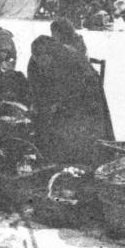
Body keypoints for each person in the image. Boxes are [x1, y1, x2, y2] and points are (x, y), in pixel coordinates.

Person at [27, 21, 113, 164]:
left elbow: (75, 92)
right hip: (69, 99)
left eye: (43, 61)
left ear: (50, 55)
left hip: (86, 100)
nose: (42, 65)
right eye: (38, 61)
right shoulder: (37, 60)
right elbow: (38, 86)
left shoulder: (68, 61)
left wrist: (56, 105)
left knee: (71, 131)